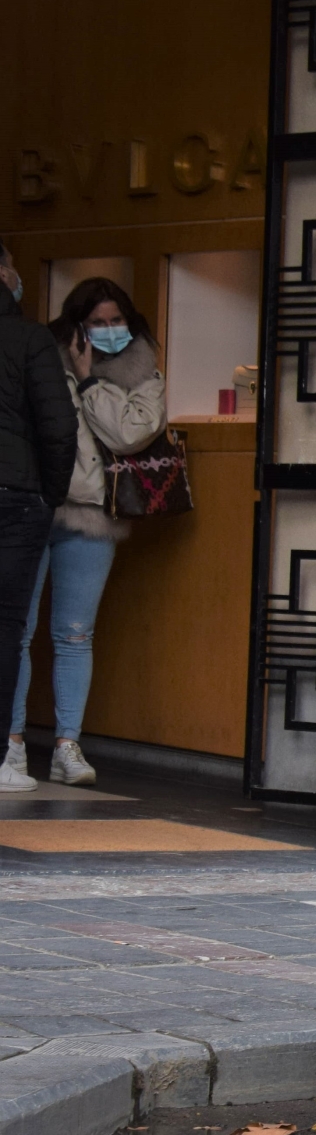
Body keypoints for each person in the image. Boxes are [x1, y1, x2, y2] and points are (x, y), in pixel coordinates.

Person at [7, 277, 164, 788]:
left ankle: (66, 747)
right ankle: (10, 744)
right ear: (76, 323)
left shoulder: (143, 368)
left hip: (95, 513)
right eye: (96, 322)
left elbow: (131, 431)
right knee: (17, 631)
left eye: (116, 320)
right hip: (37, 507)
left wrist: (89, 381)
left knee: (75, 634)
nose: (108, 330)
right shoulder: (38, 355)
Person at [0, 243, 75, 793]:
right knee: (5, 629)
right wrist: (47, 495)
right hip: (14, 499)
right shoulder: (30, 339)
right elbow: (57, 427)